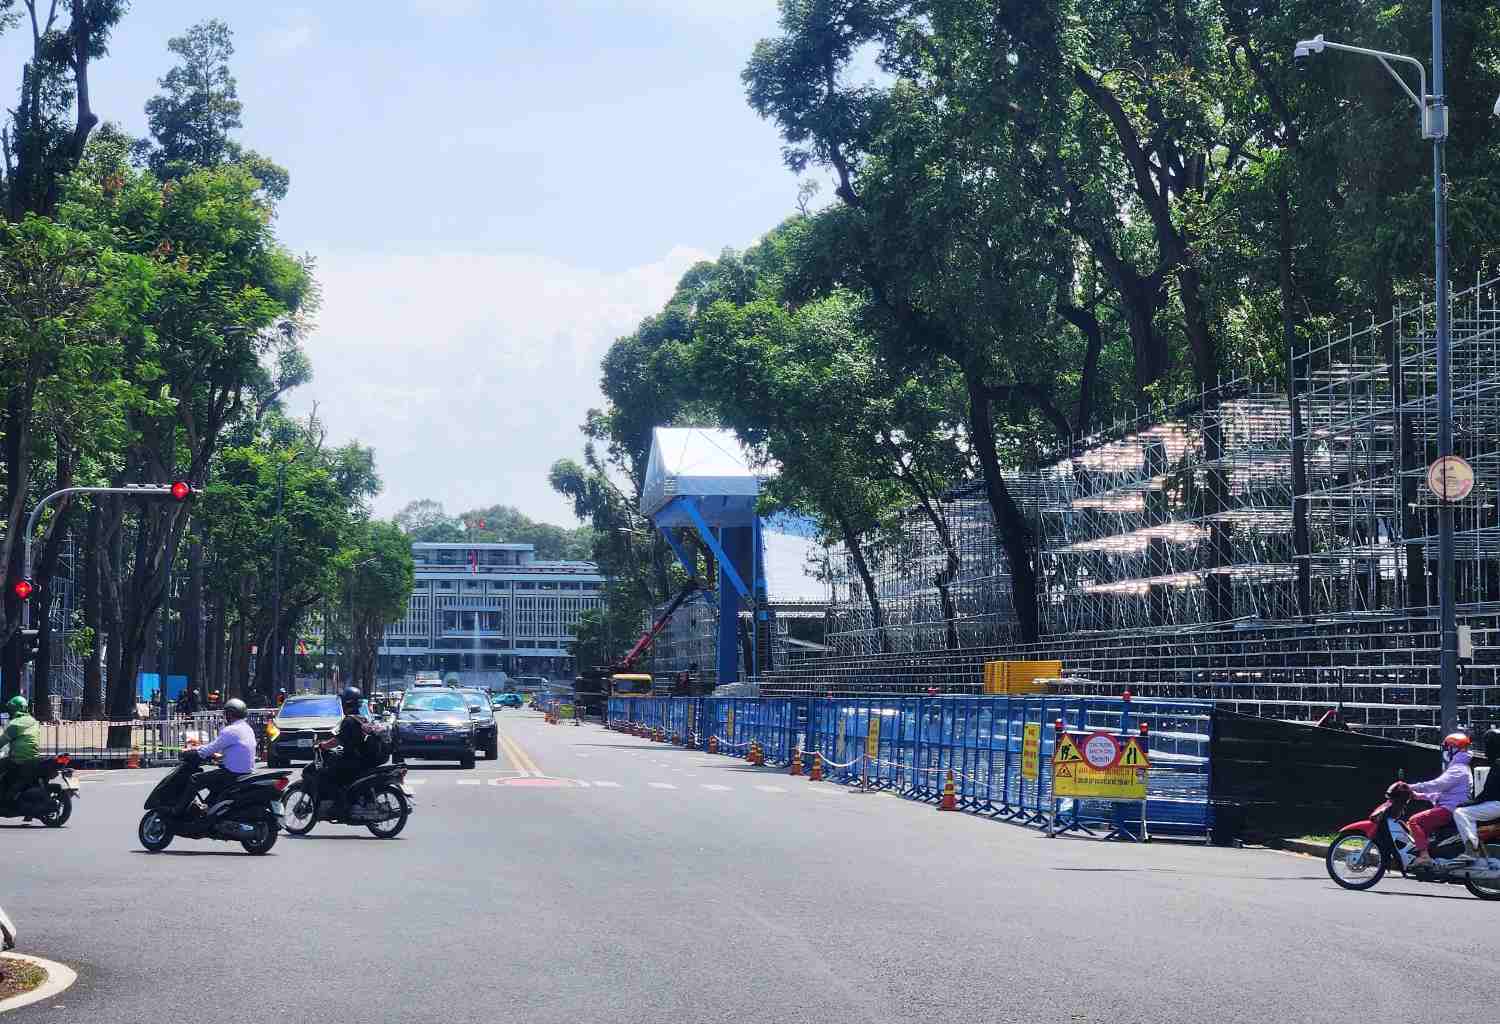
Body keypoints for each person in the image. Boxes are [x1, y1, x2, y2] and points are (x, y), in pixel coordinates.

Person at [1408, 732, 1473, 868]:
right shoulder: (1459, 767)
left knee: (1414, 821)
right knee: (1423, 824)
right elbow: (1443, 793)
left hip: (1449, 809)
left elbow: (1437, 785)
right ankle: (1426, 854)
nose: (1445, 751)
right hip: (1450, 806)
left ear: (1453, 749)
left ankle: (1424, 856)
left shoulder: (1458, 769)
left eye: (1447, 748)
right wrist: (1418, 796)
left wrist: (1411, 787)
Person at [181, 698, 255, 814]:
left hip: (231, 774)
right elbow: (234, 749)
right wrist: (212, 754)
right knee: (215, 787)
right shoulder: (247, 728)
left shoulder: (231, 730)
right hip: (245, 772)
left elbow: (210, 749)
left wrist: (192, 752)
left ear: (230, 714)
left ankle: (178, 811)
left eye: (226, 713)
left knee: (195, 779)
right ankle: (209, 809)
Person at [316, 686, 372, 812]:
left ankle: (339, 805)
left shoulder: (349, 721)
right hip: (361, 758)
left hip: (353, 760)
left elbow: (337, 741)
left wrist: (322, 745)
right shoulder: (362, 719)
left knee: (328, 773)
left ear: (347, 703)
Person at [1454, 729, 1500, 863]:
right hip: (1495, 802)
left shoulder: (1498, 763)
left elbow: (1489, 793)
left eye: (1488, 745)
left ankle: (1471, 851)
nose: (1486, 750)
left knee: (1461, 813)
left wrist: (1468, 803)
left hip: (1497, 804)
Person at [0, 696, 41, 801]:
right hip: (34, 758)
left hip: (20, 759)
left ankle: (6, 798)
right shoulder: (32, 720)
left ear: (14, 709)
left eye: (10, 709)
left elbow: (2, 741)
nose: (9, 712)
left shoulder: (15, 723)